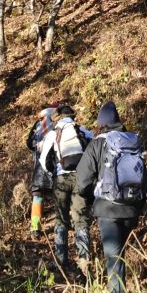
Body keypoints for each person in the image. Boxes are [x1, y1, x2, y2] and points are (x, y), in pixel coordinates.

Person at [76, 101, 147, 293]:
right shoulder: (132, 142)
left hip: (107, 211)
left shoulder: (98, 144)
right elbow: (144, 179)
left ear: (100, 124)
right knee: (120, 258)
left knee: (114, 263)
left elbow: (82, 181)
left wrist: (91, 200)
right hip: (131, 210)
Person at [39, 104, 93, 274]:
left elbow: (43, 161)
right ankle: (84, 261)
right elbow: (94, 150)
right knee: (81, 218)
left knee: (61, 219)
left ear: (57, 118)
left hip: (61, 179)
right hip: (81, 177)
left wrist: (54, 173)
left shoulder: (53, 134)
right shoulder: (83, 130)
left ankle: (61, 260)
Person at [26, 103, 58, 240]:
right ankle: (62, 224)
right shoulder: (59, 123)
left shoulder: (38, 127)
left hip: (39, 168)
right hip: (55, 168)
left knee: (37, 197)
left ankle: (35, 228)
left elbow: (29, 143)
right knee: (59, 197)